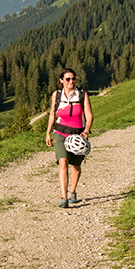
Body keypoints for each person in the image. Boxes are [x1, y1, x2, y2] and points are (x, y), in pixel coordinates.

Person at [45, 68, 93, 208]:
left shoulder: (82, 94)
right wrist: (48, 132)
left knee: (76, 166)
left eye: (73, 78)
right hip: (60, 133)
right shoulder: (57, 95)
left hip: (78, 134)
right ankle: (63, 197)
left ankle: (72, 192)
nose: (71, 81)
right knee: (63, 162)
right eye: (67, 79)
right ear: (61, 80)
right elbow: (52, 115)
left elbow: (89, 115)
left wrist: (86, 131)